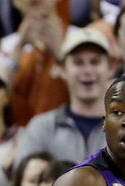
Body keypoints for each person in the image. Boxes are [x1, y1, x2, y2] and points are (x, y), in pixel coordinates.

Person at [13, 28, 113, 169]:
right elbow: (25, 182)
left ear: (110, 68)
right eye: (78, 63)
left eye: (95, 62)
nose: (87, 70)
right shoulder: (41, 128)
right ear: (62, 70)